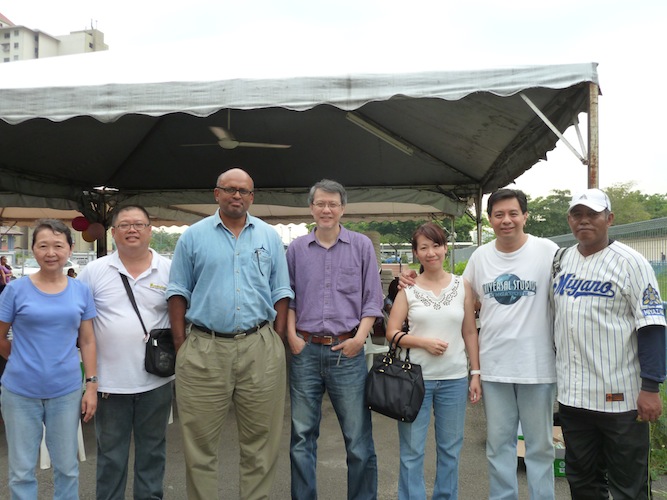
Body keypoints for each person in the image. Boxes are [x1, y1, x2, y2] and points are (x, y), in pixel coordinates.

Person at [401, 188, 558, 499]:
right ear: (489, 219)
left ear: (525, 216)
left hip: (537, 366)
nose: (506, 220)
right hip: (495, 366)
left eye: (513, 213)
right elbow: (460, 300)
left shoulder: (548, 251)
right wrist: (409, 279)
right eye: (499, 215)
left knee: (540, 447)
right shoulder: (481, 257)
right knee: (499, 446)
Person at [167, 167, 294, 500]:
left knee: (261, 445)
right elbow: (177, 291)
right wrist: (182, 345)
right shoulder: (192, 236)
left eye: (244, 191)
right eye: (230, 189)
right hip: (204, 349)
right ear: (216, 194)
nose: (237, 195)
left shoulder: (269, 237)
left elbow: (282, 292)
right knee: (199, 447)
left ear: (252, 197)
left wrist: (276, 340)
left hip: (261, 348)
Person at [553, 188, 666, 499]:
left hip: (621, 397)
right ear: (570, 220)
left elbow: (652, 326)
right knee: (581, 479)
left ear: (609, 218)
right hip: (574, 397)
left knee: (628, 484)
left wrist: (651, 387)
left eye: (593, 214)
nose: (584, 220)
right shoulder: (562, 260)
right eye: (578, 214)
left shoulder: (632, 262)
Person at [286, 178, 383, 499]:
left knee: (358, 438)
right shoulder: (298, 249)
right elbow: (288, 297)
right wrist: (291, 336)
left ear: (343, 208)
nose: (326, 210)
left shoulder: (360, 246)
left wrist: (361, 338)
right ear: (311, 208)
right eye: (320, 204)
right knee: (301, 436)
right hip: (305, 351)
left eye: (332, 204)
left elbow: (373, 298)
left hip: (348, 352)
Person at [77, 205, 173, 500]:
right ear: (114, 232)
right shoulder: (94, 271)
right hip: (109, 384)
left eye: (139, 224)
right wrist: (89, 380)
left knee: (152, 454)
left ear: (150, 230)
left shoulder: (169, 269)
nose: (132, 230)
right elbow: (80, 324)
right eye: (125, 225)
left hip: (156, 382)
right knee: (111, 458)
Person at [0, 218, 98, 499]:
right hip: (20, 392)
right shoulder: (15, 290)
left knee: (67, 467)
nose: (51, 252)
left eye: (58, 245)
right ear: (33, 250)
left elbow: (88, 340)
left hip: (65, 391)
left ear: (69, 249)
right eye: (43, 245)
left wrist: (91, 385)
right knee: (21, 471)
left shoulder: (80, 290)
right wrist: (20, 358)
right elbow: (1, 336)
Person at [386, 222, 481, 499]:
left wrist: (475, 372)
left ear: (445, 247)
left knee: (450, 449)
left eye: (436, 245)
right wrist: (422, 342)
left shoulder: (461, 285)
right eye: (424, 248)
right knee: (412, 450)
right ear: (416, 253)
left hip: (453, 379)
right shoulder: (408, 290)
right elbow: (392, 333)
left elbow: (469, 331)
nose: (431, 253)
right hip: (415, 380)